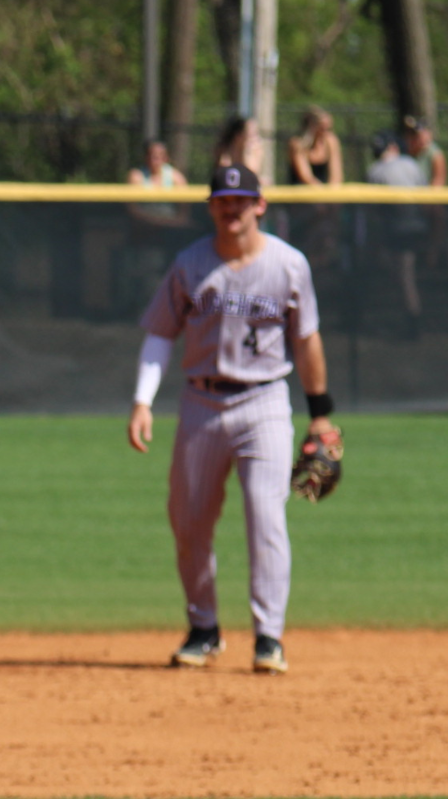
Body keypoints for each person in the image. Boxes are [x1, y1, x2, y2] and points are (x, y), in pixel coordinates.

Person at [127, 165, 336, 675]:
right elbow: (160, 334)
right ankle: (204, 628)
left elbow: (306, 340)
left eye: (242, 200)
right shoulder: (190, 265)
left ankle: (269, 637)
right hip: (201, 403)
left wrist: (321, 416)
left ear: (260, 206)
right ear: (211, 206)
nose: (233, 209)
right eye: (224, 199)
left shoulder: (289, 265)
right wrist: (142, 400)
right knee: (190, 521)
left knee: (266, 516)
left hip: (264, 402)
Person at [365, 132, 428, 326]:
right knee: (403, 273)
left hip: (399, 229)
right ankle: (411, 313)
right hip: (416, 226)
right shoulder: (410, 163)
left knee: (405, 275)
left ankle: (413, 317)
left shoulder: (374, 170)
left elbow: (372, 213)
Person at [287, 106, 344, 186]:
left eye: (329, 128)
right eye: (323, 128)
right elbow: (306, 177)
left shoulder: (331, 141)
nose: (327, 132)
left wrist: (331, 193)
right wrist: (321, 193)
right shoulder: (297, 143)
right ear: (311, 126)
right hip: (300, 192)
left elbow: (336, 175)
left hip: (323, 192)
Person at [402, 116, 448, 188]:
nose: (414, 137)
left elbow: (438, 182)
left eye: (416, 134)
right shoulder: (404, 153)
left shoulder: (435, 154)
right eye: (411, 134)